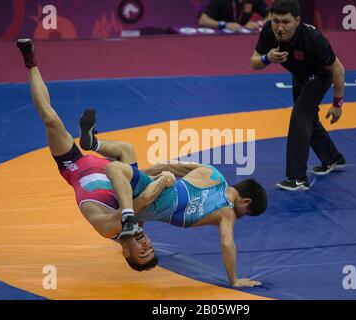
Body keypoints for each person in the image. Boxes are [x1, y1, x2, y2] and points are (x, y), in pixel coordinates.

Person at [15, 38, 176, 272]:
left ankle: (31, 63)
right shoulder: (140, 219)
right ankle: (94, 143)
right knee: (127, 151)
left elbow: (136, 203)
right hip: (112, 171)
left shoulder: (107, 229)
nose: (146, 244)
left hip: (75, 166)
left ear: (125, 251)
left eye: (142, 251)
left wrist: (162, 181)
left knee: (51, 120)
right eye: (150, 247)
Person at [81, 110, 268, 287]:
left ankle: (94, 145)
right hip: (149, 198)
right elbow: (227, 242)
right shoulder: (227, 212)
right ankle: (104, 159)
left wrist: (138, 176)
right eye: (246, 213)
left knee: (127, 152)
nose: (241, 216)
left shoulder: (212, 173)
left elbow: (167, 165)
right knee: (121, 171)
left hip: (151, 190)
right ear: (246, 201)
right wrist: (234, 280)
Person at [250, 0, 346, 191]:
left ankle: (297, 178)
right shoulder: (269, 31)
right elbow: (254, 62)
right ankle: (333, 158)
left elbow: (338, 70)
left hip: (320, 76)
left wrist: (337, 104)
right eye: (276, 20)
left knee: (300, 117)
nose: (279, 27)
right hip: (300, 76)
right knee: (308, 119)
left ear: (297, 21)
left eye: (285, 22)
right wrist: (267, 58)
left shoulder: (313, 38)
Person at [198, 0, 270, 31]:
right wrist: (224, 25)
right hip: (218, 35)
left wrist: (259, 23)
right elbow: (203, 20)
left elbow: (272, 15)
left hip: (241, 36)